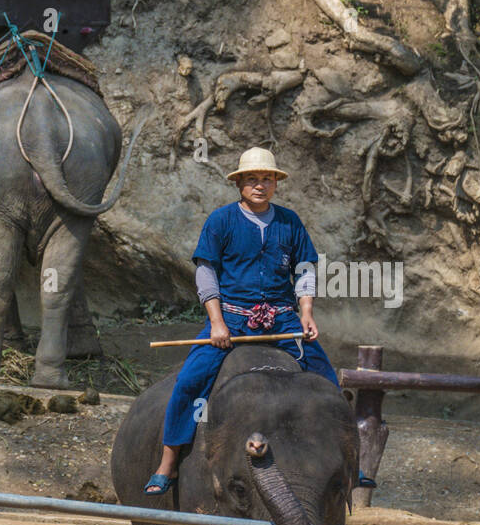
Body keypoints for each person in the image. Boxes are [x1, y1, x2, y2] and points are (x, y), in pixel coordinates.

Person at [145, 146, 339, 495]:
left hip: (282, 320)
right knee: (191, 380)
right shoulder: (221, 221)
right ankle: (169, 460)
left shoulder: (290, 222)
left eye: (267, 179)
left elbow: (305, 270)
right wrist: (216, 322)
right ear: (240, 184)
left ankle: (343, 459)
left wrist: (306, 313)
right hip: (232, 319)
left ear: (276, 183)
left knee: (326, 378)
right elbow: (206, 273)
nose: (260, 185)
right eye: (252, 179)